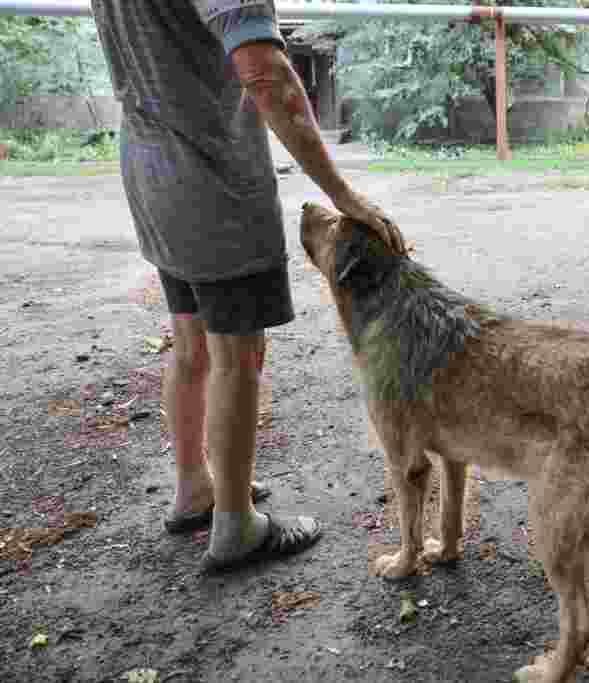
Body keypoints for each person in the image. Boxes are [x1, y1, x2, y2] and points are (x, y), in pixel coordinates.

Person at [90, 0, 406, 573]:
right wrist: (341, 193)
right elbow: (264, 70)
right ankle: (235, 526)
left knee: (191, 346)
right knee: (238, 353)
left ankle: (195, 489)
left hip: (152, 169)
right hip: (213, 182)